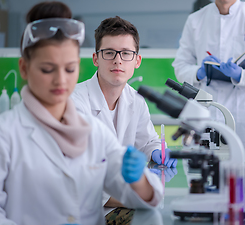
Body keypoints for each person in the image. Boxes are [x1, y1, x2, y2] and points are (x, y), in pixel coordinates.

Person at [0, 1, 163, 225]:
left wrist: (139, 180)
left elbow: (149, 197)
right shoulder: (1, 132)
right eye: (47, 69)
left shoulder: (94, 131)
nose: (61, 80)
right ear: (24, 68)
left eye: (69, 68)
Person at [70, 15, 177, 214]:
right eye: (109, 52)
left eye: (126, 53)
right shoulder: (75, 103)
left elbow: (147, 142)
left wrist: (156, 151)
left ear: (137, 61)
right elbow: (79, 172)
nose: (118, 60)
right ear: (96, 58)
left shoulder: (136, 100)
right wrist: (131, 199)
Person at [172, 0, 245, 162]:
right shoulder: (195, 20)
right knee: (202, 172)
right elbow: (180, 67)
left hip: (242, 112)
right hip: (205, 111)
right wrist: (198, 72)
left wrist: (241, 76)